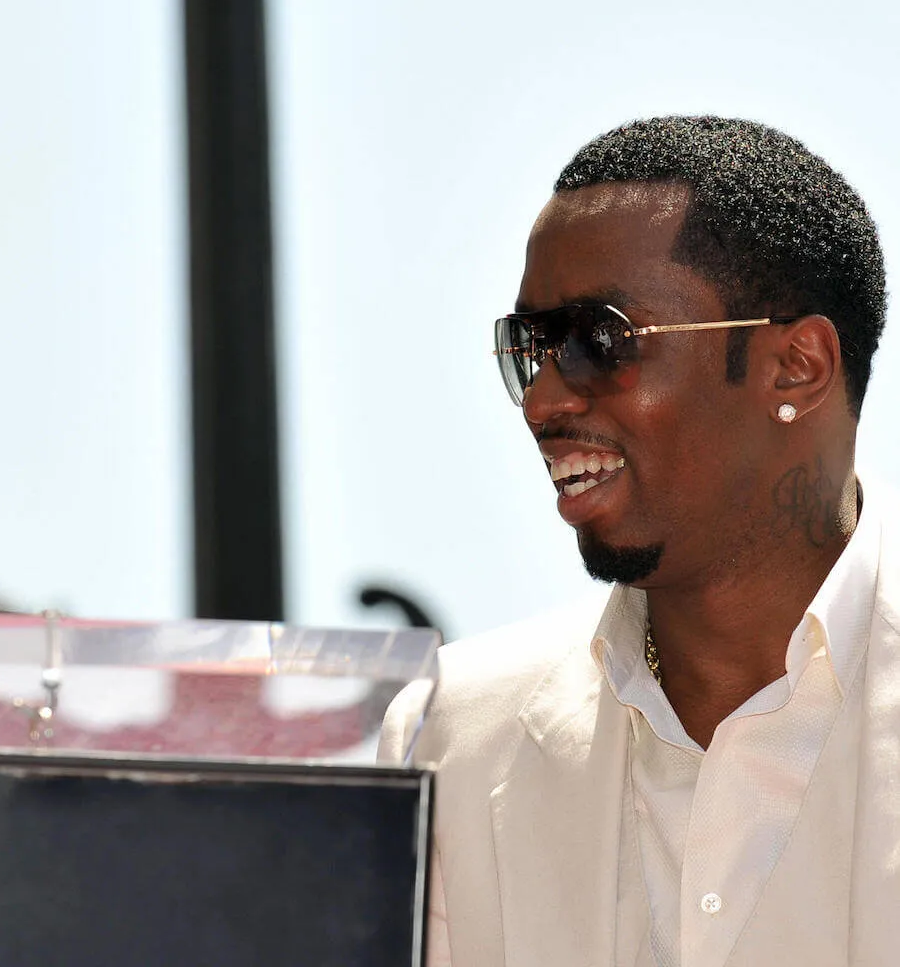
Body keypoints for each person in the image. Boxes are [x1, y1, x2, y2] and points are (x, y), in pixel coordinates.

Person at [382, 116, 897, 966]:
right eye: (530, 350)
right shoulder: (450, 738)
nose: (541, 402)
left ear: (796, 366)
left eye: (597, 342)